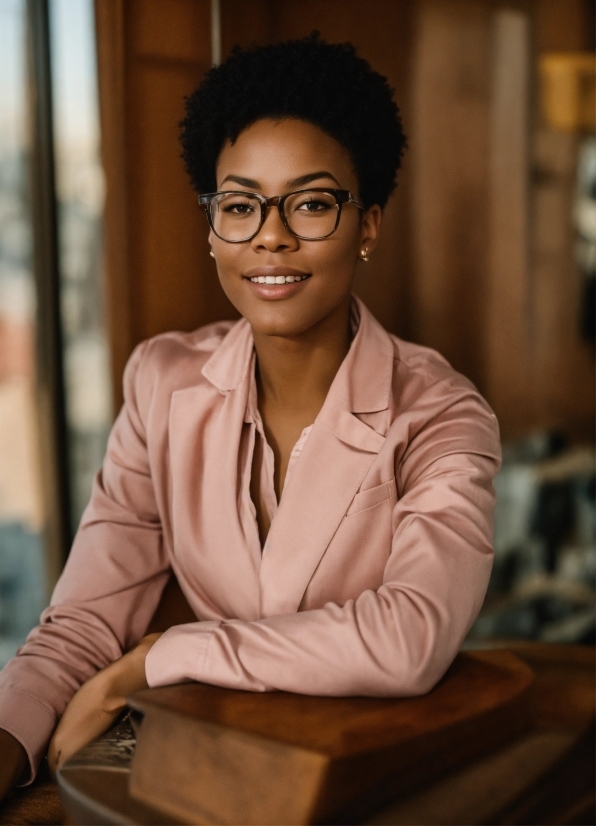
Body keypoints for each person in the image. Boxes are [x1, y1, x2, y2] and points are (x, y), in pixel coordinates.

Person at [0, 33, 500, 798]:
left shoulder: (440, 413)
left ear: (366, 224)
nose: (270, 234)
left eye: (310, 203)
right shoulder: (161, 384)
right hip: (212, 777)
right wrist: (8, 742)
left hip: (370, 785)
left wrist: (159, 658)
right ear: (212, 231)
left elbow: (408, 640)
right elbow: (82, 626)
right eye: (240, 205)